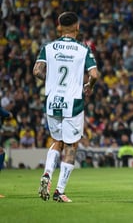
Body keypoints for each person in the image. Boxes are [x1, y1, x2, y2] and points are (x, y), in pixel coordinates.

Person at [33, 11, 99, 202]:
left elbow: (37, 70)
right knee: (71, 145)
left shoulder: (49, 47)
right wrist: (89, 86)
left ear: (59, 27)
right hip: (73, 103)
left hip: (52, 101)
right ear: (77, 27)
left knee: (56, 140)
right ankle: (59, 191)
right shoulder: (83, 49)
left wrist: (50, 81)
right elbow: (94, 74)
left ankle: (47, 174)